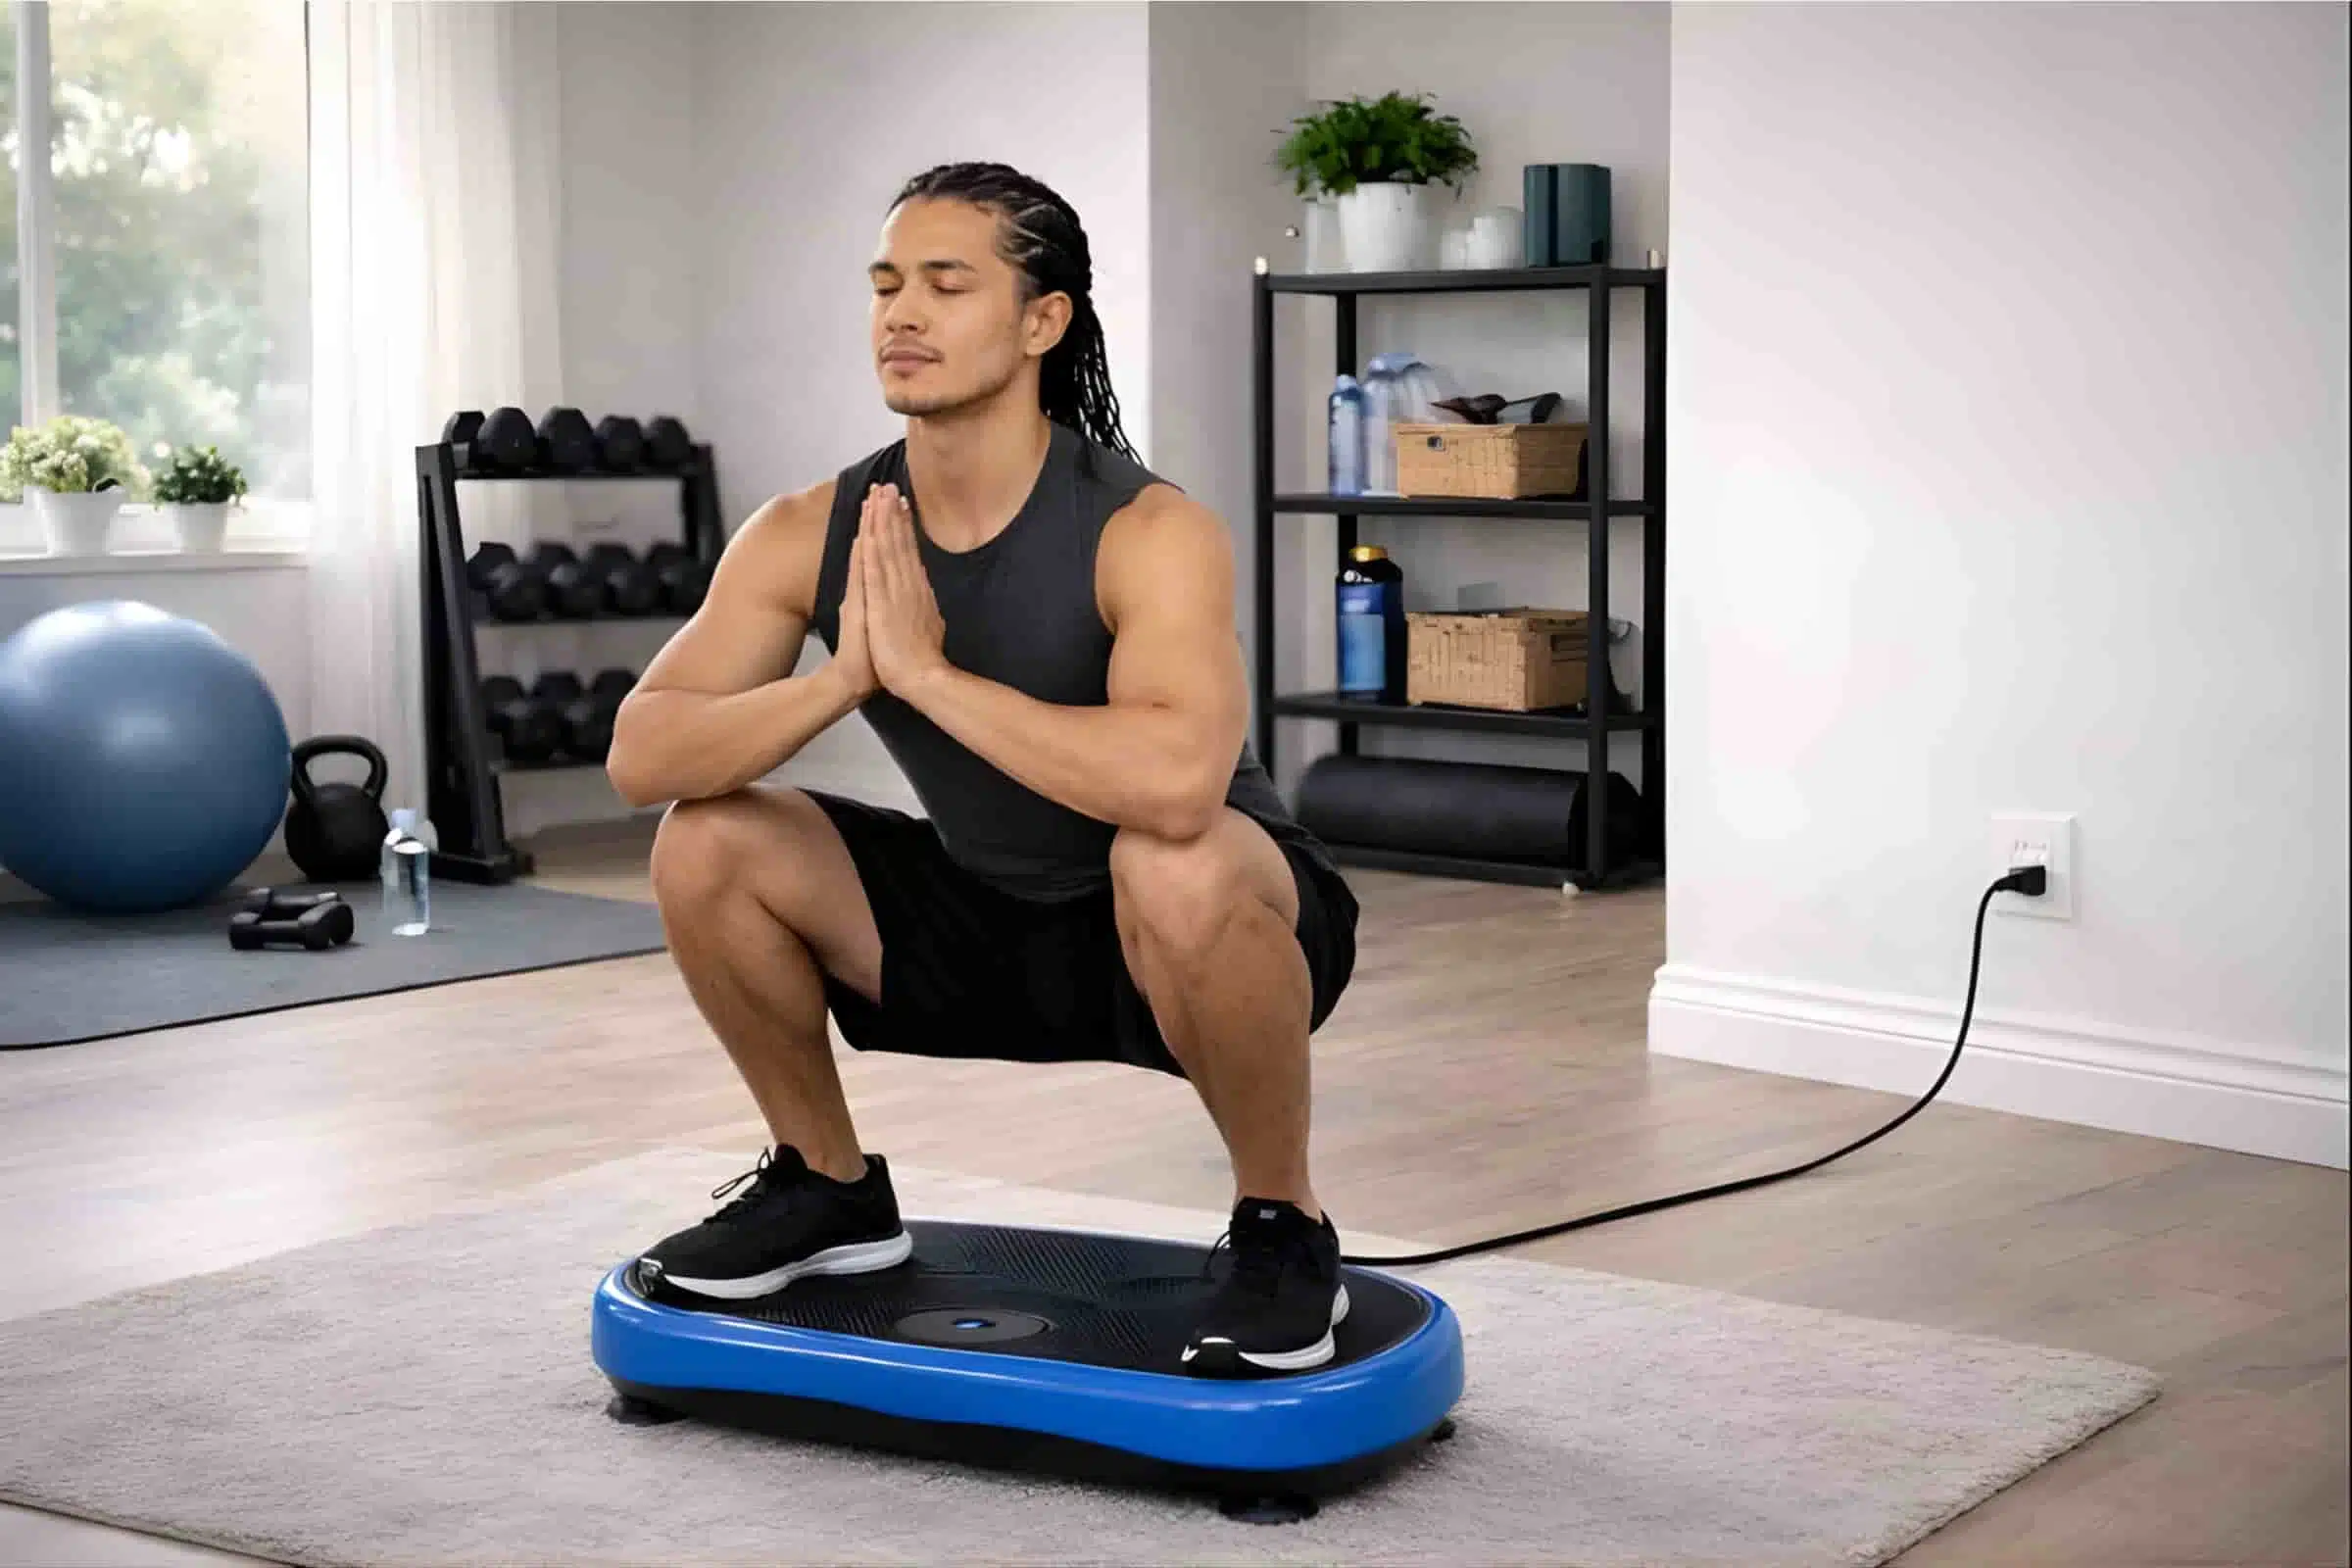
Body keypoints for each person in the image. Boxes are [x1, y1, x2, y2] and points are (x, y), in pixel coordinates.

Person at [603, 163, 1359, 1378]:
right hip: (980, 918)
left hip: (1201, 925)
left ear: (1041, 321)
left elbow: (1177, 784)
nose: (902, 312)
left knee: (1175, 854)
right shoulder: (816, 527)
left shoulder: (1147, 528)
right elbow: (644, 753)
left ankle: (1282, 1222)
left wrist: (932, 676)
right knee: (708, 836)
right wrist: (844, 677)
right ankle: (829, 1189)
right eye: (887, 284)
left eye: (947, 284)